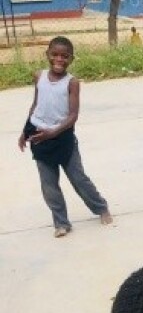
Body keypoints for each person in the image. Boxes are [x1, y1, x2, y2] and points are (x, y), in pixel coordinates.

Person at [17, 35, 113, 238]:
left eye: (65, 56)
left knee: (79, 179)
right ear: (47, 55)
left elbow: (72, 116)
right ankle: (61, 223)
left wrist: (54, 132)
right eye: (55, 55)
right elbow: (36, 105)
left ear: (71, 59)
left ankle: (101, 208)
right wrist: (25, 131)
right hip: (39, 137)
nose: (59, 59)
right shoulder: (39, 77)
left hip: (63, 139)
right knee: (49, 186)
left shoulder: (72, 83)